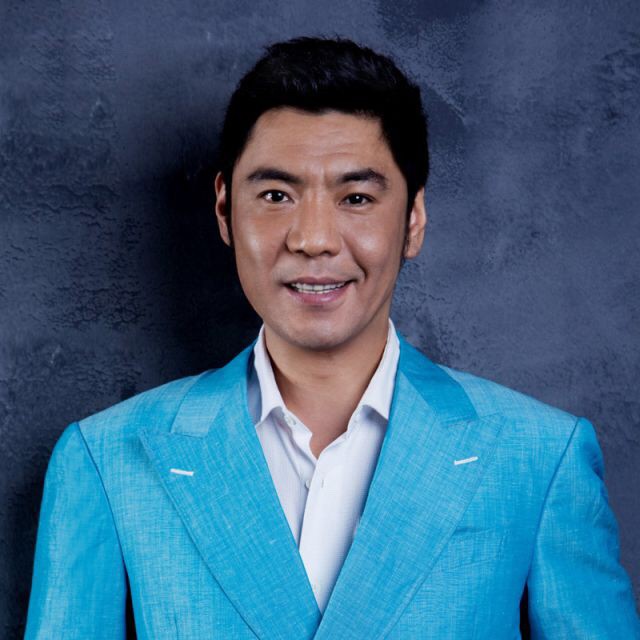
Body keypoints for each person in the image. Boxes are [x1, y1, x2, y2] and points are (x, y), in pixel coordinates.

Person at [25, 36, 639, 639]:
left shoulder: (538, 456)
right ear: (224, 210)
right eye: (275, 195)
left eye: (356, 197)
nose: (313, 239)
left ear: (413, 219)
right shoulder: (108, 459)